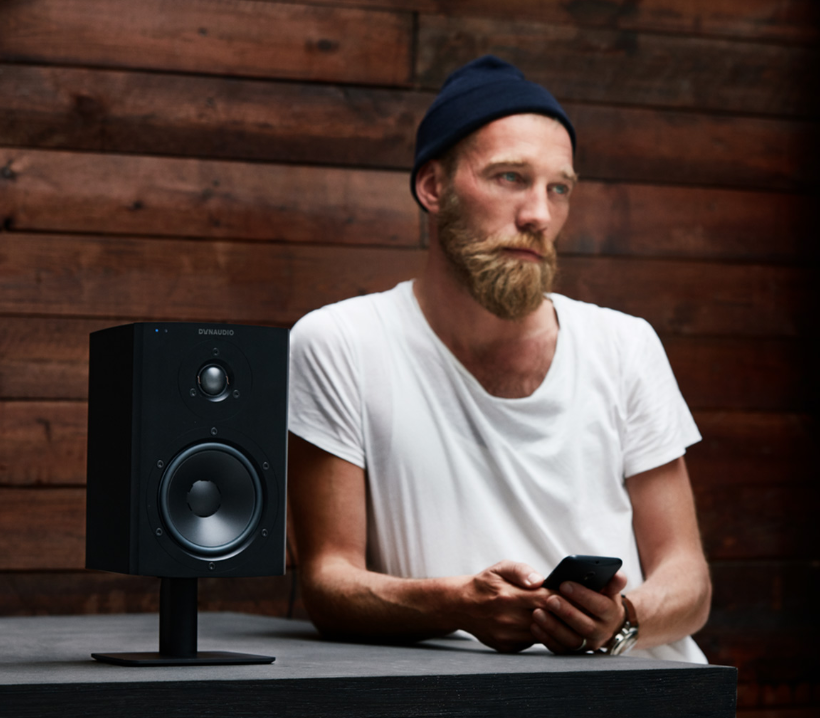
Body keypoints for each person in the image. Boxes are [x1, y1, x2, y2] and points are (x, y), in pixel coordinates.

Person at [287, 56, 711, 661]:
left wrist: (622, 622)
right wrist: (458, 605)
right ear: (433, 187)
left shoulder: (624, 344)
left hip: (637, 695)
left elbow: (688, 580)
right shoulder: (341, 343)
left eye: (558, 188)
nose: (539, 214)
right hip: (455, 706)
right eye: (511, 177)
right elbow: (328, 582)